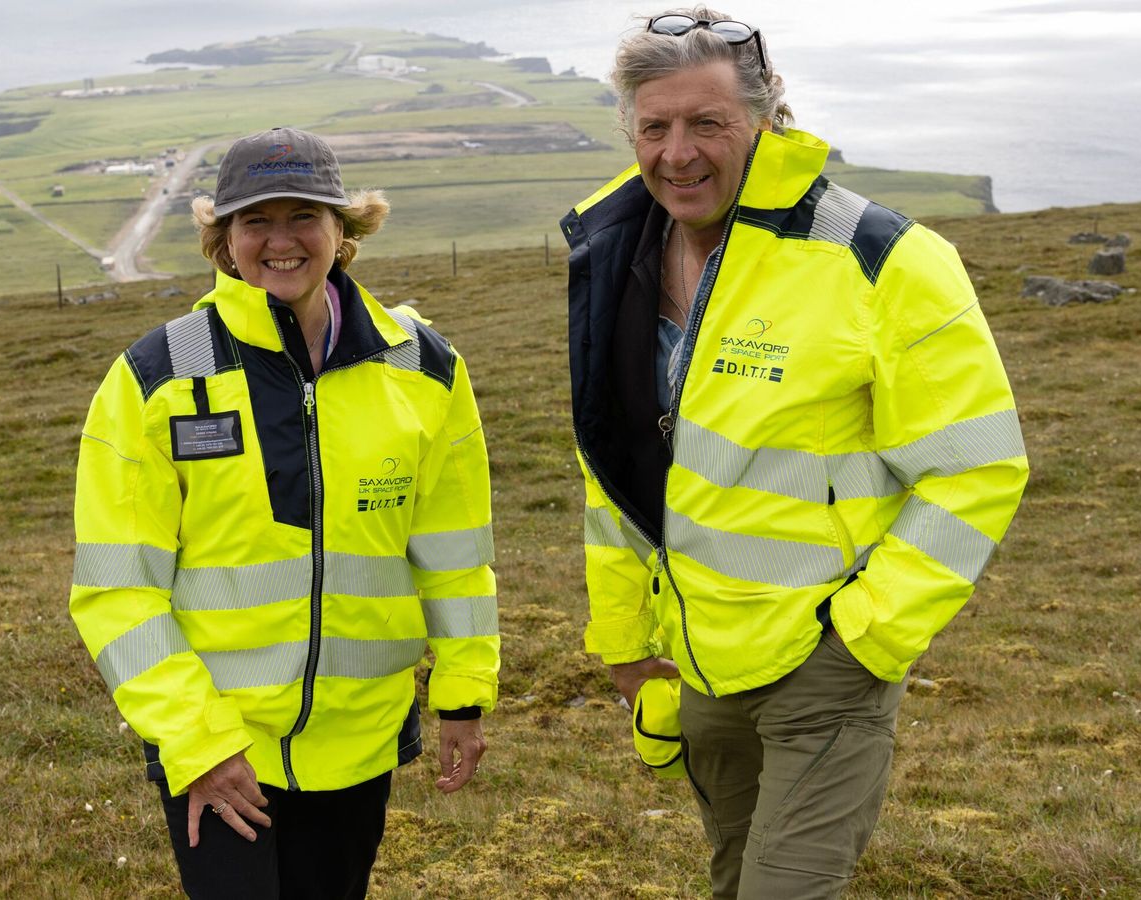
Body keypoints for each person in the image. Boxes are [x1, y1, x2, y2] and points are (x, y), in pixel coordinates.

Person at [562, 9, 1029, 898]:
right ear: (629, 132)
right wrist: (625, 643)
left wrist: (863, 640)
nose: (678, 153)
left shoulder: (880, 257)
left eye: (708, 124)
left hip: (826, 664)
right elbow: (614, 468)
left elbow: (977, 468)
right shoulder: (613, 253)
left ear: (769, 117)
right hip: (697, 662)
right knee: (736, 877)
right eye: (654, 127)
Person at [69, 126, 499, 899]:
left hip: (361, 745)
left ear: (346, 228)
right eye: (254, 221)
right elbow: (118, 590)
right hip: (218, 752)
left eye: (304, 215)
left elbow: (453, 553)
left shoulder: (425, 368)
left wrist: (464, 694)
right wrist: (199, 744)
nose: (280, 240)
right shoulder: (156, 377)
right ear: (223, 241)